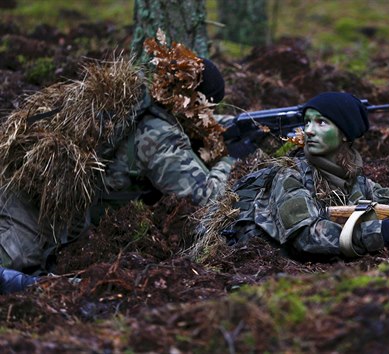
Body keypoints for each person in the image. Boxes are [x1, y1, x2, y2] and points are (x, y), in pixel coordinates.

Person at [0, 57, 234, 292]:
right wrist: (228, 159)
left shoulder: (129, 105)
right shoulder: (159, 136)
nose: (208, 119)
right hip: (25, 226)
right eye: (207, 109)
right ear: (192, 103)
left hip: (21, 198)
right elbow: (207, 198)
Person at [222, 92, 389, 260]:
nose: (308, 130)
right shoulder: (290, 176)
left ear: (345, 134)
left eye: (321, 123)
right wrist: (376, 234)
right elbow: (305, 235)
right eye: (307, 122)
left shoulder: (359, 182)